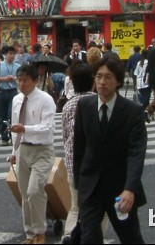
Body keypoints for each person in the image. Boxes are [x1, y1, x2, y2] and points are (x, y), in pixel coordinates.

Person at [73, 57, 148, 243]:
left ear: (119, 81)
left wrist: (130, 189)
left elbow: (136, 153)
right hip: (91, 188)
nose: (102, 82)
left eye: (108, 77)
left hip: (120, 189)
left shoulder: (133, 111)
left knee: (131, 238)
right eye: (98, 76)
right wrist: (79, 185)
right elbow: (79, 148)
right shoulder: (84, 106)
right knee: (89, 238)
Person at [8, 64, 56, 245]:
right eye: (19, 80)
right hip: (23, 150)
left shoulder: (46, 99)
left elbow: (48, 128)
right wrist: (14, 151)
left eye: (25, 80)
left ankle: (40, 231)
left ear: (36, 80)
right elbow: (14, 128)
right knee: (24, 194)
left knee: (35, 190)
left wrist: (25, 129)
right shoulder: (16, 100)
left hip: (42, 150)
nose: (21, 84)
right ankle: (30, 234)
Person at [60, 62, 94, 242]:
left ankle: (69, 235)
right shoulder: (98, 101)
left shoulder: (68, 105)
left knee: (75, 206)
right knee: (98, 210)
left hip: (73, 164)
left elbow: (65, 136)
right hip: (95, 166)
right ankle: (89, 237)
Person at [0, 45, 21, 146]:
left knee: (12, 115)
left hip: (13, 92)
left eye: (13, 54)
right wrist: (5, 79)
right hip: (1, 92)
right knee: (2, 116)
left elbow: (21, 78)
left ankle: (13, 136)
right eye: (10, 54)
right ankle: (4, 137)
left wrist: (15, 78)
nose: (12, 56)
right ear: (5, 54)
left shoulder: (17, 66)